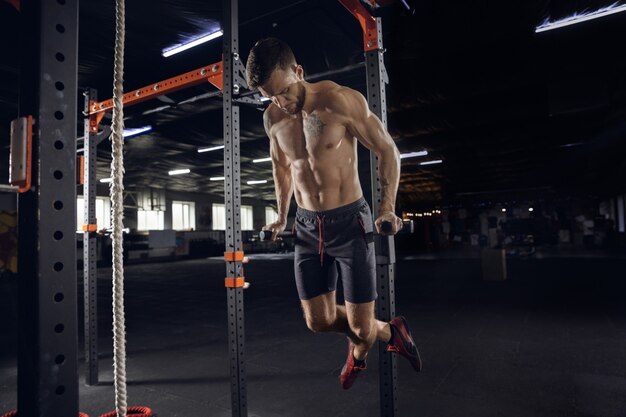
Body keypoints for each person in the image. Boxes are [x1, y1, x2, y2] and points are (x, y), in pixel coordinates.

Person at [246, 38, 421, 389]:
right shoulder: (273, 117)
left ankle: (360, 349)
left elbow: (388, 150)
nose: (281, 102)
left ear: (299, 71)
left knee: (359, 328)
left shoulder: (339, 100)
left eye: (283, 91)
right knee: (318, 321)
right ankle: (390, 331)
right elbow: (282, 168)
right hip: (308, 227)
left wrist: (387, 207)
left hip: (349, 222)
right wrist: (282, 216)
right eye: (270, 96)